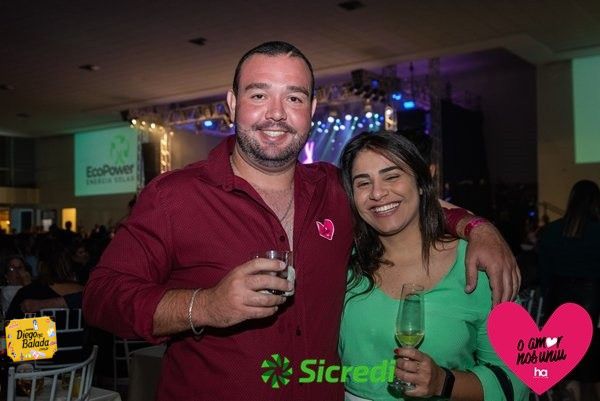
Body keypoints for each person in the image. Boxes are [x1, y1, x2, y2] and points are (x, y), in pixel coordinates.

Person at [83, 41, 519, 400]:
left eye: (293, 97)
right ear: (232, 105)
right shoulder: (175, 196)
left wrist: (478, 228)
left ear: (311, 108)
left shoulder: (335, 189)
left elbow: (404, 202)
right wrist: (207, 306)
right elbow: (102, 297)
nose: (276, 112)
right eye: (259, 95)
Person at [338, 131, 527, 401]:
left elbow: (519, 377)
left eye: (392, 176)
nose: (377, 193)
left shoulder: (477, 263)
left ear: (421, 182)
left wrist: (444, 383)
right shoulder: (342, 262)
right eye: (363, 183)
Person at [538, 179, 600, 401]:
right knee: (592, 366)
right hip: (593, 302)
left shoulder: (551, 231)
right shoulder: (597, 232)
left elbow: (544, 274)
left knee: (566, 366)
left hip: (559, 300)